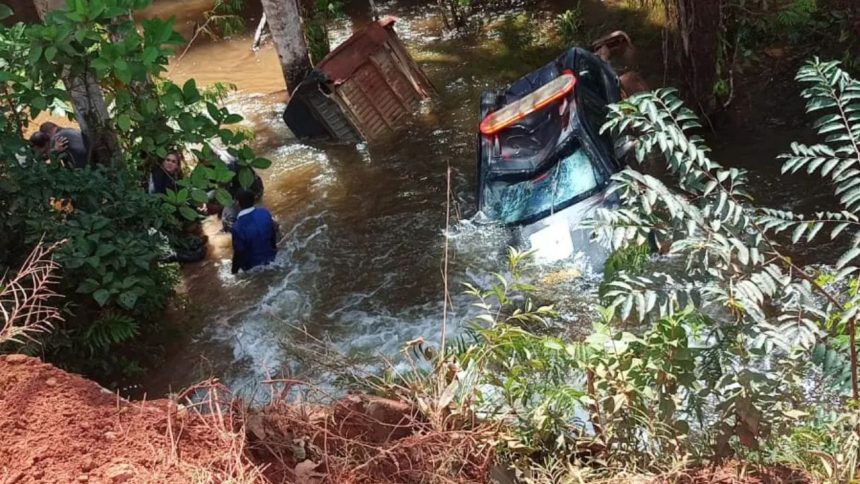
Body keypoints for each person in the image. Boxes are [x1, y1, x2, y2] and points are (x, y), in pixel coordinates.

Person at [231, 190, 278, 274]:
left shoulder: (237, 227)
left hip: (253, 268)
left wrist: (234, 271)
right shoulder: (265, 213)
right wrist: (274, 249)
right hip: (273, 259)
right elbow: (273, 234)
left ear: (237, 203)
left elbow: (239, 253)